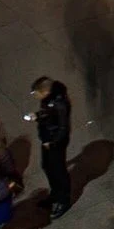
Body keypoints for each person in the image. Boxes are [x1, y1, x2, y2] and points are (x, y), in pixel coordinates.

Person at [32, 77, 71, 217]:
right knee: (47, 166)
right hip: (47, 139)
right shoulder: (48, 100)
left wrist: (53, 142)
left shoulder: (60, 104)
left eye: (35, 93)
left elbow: (63, 128)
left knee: (59, 171)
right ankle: (55, 193)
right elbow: (48, 114)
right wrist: (37, 116)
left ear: (45, 91)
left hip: (55, 143)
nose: (34, 95)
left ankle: (63, 200)